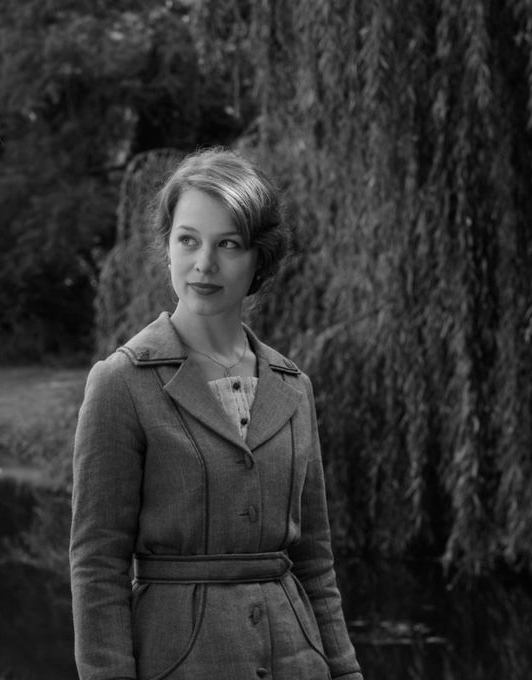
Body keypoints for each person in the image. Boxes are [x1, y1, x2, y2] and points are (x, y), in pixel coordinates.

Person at [69, 148, 363, 679]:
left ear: (259, 259)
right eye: (188, 240)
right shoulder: (122, 382)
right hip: (179, 660)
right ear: (168, 248)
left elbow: (316, 562)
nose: (204, 263)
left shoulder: (293, 386)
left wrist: (345, 671)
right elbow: (97, 566)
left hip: (299, 661)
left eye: (228, 244)